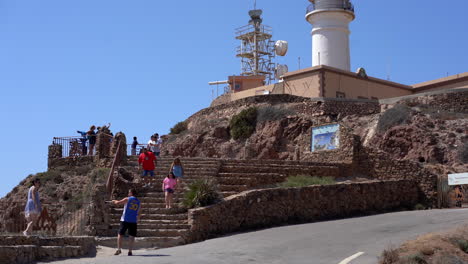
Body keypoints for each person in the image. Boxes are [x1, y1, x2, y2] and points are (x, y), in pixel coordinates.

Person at [112, 188, 141, 256]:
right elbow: (139, 212)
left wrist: (114, 201)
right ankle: (130, 251)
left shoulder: (127, 199)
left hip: (125, 219)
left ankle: (119, 249)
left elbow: (118, 203)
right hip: (133, 220)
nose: (128, 194)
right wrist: (138, 219)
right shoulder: (138, 201)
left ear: (131, 193)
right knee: (131, 236)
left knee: (120, 234)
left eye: (129, 192)